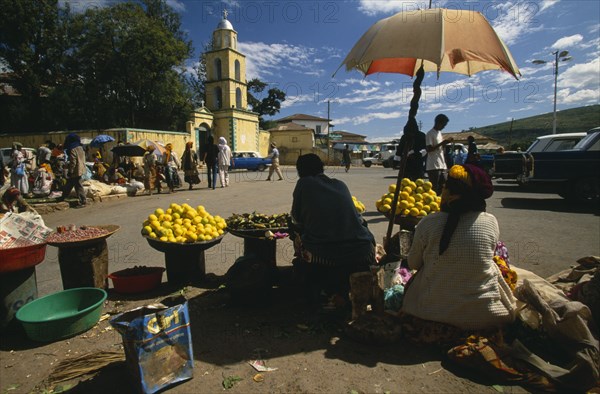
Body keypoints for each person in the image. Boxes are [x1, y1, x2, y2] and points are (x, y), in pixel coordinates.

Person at [401, 164, 517, 332]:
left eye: (445, 186)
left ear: (449, 193)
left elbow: (413, 264)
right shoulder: (490, 221)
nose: (441, 189)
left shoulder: (428, 222)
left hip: (430, 312)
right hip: (485, 315)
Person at [290, 153, 376, 305]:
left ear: (300, 171)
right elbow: (359, 219)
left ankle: (316, 282)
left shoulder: (304, 183)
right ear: (321, 168)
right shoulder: (340, 184)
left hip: (325, 253)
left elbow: (297, 220)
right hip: (363, 249)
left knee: (295, 233)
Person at [425, 114, 453, 194]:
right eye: (443, 125)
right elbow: (429, 149)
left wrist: (445, 143)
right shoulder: (430, 134)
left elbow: (440, 147)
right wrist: (442, 143)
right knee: (434, 188)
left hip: (442, 164)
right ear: (438, 123)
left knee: (444, 185)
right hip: (433, 165)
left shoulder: (439, 133)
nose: (444, 127)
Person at [62, 133, 87, 208]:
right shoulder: (81, 147)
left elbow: (73, 162)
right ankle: (63, 197)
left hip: (75, 170)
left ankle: (83, 201)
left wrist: (70, 171)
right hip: (81, 168)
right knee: (69, 184)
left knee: (78, 186)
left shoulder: (72, 149)